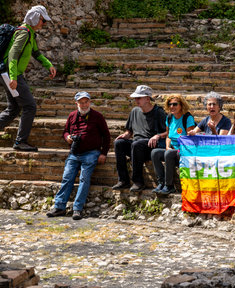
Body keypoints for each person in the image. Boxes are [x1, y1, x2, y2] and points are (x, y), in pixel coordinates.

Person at [46, 92, 110, 220]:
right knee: (67, 178)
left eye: (86, 102)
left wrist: (103, 153)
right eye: (81, 102)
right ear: (76, 103)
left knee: (84, 179)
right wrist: (67, 137)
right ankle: (59, 207)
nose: (84, 104)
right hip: (74, 153)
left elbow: (106, 135)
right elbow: (65, 131)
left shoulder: (97, 116)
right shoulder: (72, 116)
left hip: (92, 153)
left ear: (90, 102)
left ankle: (77, 209)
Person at [0, 5, 56, 152]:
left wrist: (48, 65)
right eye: (43, 21)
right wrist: (13, 77)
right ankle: (20, 142)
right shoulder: (24, 33)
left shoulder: (30, 33)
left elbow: (36, 53)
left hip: (9, 74)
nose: (43, 24)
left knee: (13, 108)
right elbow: (12, 55)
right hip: (11, 75)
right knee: (30, 106)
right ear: (35, 18)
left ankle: (20, 141)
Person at [113, 85, 167, 192]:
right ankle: (123, 180)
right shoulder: (134, 111)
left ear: (147, 98)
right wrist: (125, 135)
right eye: (135, 98)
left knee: (137, 144)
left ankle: (138, 182)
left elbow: (169, 131)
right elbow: (129, 132)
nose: (136, 100)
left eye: (139, 98)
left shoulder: (159, 112)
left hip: (151, 147)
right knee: (119, 143)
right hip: (136, 146)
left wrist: (158, 135)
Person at [151, 95, 195, 195]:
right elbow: (168, 136)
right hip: (172, 149)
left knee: (169, 154)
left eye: (175, 104)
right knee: (155, 153)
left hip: (184, 150)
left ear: (181, 105)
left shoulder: (188, 118)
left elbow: (190, 139)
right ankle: (161, 182)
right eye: (169, 104)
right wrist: (167, 146)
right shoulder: (169, 118)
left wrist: (174, 150)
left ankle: (169, 185)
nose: (172, 106)